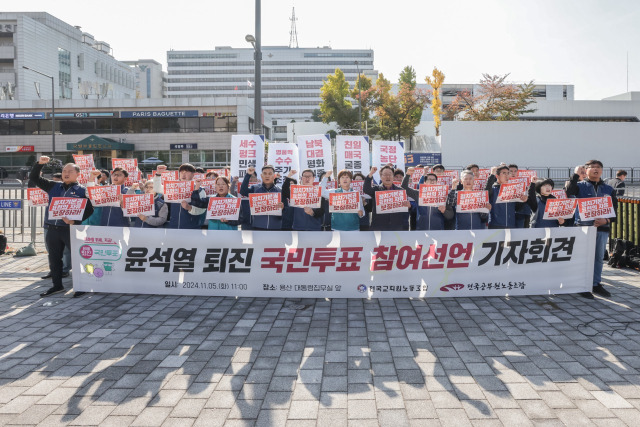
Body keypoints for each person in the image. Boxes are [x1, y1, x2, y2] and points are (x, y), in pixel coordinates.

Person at [29, 156, 94, 297]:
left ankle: (82, 285)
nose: (66, 173)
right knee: (54, 259)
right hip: (52, 229)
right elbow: (34, 177)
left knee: (77, 258)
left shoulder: (83, 190)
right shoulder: (53, 185)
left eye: (70, 171)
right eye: (64, 170)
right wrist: (39, 164)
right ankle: (57, 286)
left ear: (78, 174)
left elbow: (90, 210)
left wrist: (74, 221)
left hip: (70, 230)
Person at [566, 159, 617, 299]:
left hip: (602, 229)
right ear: (586, 170)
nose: (596, 169)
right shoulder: (579, 186)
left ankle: (595, 284)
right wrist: (576, 175)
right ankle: (582, 285)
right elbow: (568, 192)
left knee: (599, 258)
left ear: (602, 170)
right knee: (582, 257)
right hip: (583, 228)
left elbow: (615, 212)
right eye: (592, 167)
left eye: (599, 167)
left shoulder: (609, 189)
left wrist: (605, 220)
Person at [154, 164, 206, 229]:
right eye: (181, 172)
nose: (183, 174)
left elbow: (202, 209)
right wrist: (158, 174)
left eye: (187, 172)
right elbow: (157, 188)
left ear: (193, 174)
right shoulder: (173, 187)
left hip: (192, 227)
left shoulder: (199, 189)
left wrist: (189, 208)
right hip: (174, 226)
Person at [41, 172, 71, 279]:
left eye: (56, 181)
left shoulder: (67, 192)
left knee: (66, 251)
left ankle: (65, 269)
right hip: (49, 224)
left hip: (64, 226)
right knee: (51, 250)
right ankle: (53, 270)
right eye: (52, 181)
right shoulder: (49, 191)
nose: (53, 183)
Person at [363, 165, 411, 231]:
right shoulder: (376, 190)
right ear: (381, 177)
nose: (388, 176)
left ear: (393, 176)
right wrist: (371, 174)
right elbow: (366, 189)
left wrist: (408, 206)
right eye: (385, 174)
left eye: (390, 174)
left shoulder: (400, 191)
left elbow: (407, 209)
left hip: (396, 228)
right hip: (378, 228)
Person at [240, 165, 285, 230]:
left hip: (275, 228)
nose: (267, 176)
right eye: (265, 173)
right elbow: (243, 191)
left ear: (274, 176)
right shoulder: (255, 188)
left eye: (270, 174)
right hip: (257, 227)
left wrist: (282, 208)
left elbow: (286, 211)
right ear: (261, 176)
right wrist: (248, 175)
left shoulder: (280, 191)